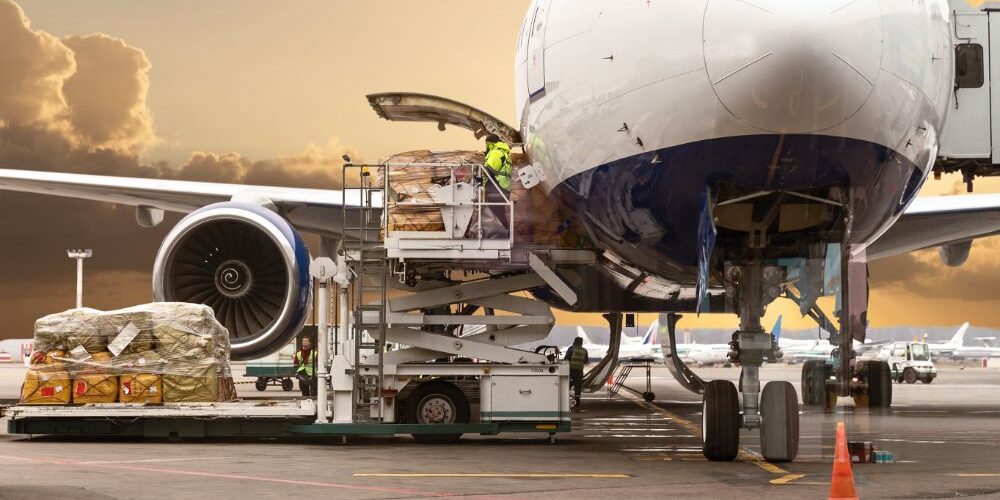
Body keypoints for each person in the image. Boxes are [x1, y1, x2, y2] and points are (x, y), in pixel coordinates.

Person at [483, 134, 513, 235]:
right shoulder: (503, 152)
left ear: (490, 143)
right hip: (503, 187)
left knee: (495, 212)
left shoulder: (495, 152)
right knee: (498, 212)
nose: (485, 146)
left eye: (486, 143)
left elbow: (489, 170)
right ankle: (505, 232)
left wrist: (479, 180)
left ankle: (503, 233)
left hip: (497, 187)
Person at [565, 337, 589, 407]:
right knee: (578, 386)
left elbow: (566, 358)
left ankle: (565, 399)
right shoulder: (584, 350)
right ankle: (577, 401)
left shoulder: (571, 349)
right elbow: (586, 361)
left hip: (571, 370)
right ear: (581, 343)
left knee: (568, 385)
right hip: (579, 371)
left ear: (574, 341)